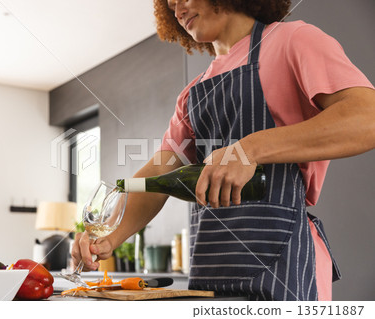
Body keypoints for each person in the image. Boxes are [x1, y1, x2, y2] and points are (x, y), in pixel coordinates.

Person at [72, 0, 375, 301]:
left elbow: (366, 118)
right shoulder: (192, 94)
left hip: (285, 269)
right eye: (170, 3)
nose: (177, 10)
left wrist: (250, 149)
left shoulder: (292, 40)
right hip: (210, 276)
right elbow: (160, 171)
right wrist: (109, 238)